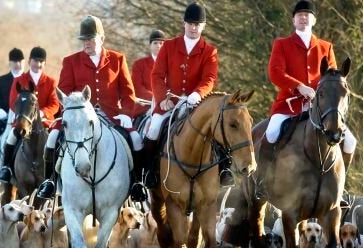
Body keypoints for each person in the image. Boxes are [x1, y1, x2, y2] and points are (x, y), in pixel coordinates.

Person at [37, 15, 147, 202]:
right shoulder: (71, 61)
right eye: (84, 40)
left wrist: (129, 113)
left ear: (101, 38)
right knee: (53, 138)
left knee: (136, 139)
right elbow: (63, 92)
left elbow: (128, 94)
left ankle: (137, 183)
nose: (86, 43)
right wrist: (70, 113)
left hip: (111, 115)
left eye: (90, 39)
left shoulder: (117, 59)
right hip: (78, 118)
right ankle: (50, 181)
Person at [256, 0, 357, 203]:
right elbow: (275, 73)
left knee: (350, 141)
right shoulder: (282, 44)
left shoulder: (325, 47)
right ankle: (261, 181)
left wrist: (322, 93)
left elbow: (333, 78)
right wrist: (299, 86)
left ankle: (340, 188)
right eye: (299, 15)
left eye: (307, 14)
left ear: (314, 20)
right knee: (272, 132)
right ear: (294, 20)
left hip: (320, 109)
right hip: (289, 105)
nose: (303, 17)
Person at [145, 2, 227, 186]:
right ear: (184, 24)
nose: (193, 27)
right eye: (190, 23)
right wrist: (162, 99)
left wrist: (198, 94)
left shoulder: (209, 51)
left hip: (196, 104)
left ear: (203, 26)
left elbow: (210, 78)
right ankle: (149, 171)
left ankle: (224, 170)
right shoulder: (169, 46)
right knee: (153, 130)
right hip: (170, 103)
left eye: (197, 24)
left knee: (217, 127)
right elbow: (157, 75)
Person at [0, 47, 61, 182]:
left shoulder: (51, 82)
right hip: (23, 121)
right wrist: (24, 115)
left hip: (44, 121)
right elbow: (13, 101)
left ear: (44, 63)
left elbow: (55, 104)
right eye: (35, 61)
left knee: (57, 141)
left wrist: (42, 113)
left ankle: (58, 173)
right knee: (11, 138)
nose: (38, 64)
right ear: (30, 61)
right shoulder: (19, 80)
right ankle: (6, 168)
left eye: (41, 62)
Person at [130, 29, 166, 117]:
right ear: (150, 45)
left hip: (168, 107)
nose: (158, 46)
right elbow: (137, 87)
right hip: (145, 107)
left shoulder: (173, 65)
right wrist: (158, 98)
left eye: (161, 43)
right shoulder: (139, 64)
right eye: (155, 43)